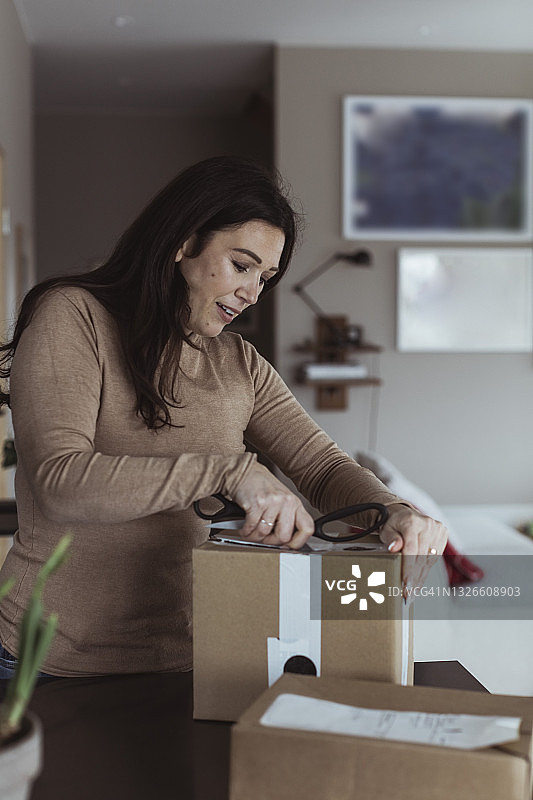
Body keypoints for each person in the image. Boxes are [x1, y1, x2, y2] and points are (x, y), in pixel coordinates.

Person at [0, 156, 447, 677]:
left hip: (191, 660)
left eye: (266, 277)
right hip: (42, 661)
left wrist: (392, 511)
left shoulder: (239, 363)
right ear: (183, 242)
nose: (252, 293)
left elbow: (322, 467)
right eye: (242, 265)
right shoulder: (73, 316)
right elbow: (60, 480)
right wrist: (228, 470)